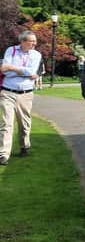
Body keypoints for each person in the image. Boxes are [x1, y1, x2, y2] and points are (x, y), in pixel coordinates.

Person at [0, 31, 42, 165]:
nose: (34, 43)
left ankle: (24, 146)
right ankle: (3, 154)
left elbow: (31, 71)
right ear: (23, 41)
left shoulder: (36, 54)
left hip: (26, 94)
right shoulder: (10, 50)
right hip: (8, 92)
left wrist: (12, 68)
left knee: (24, 124)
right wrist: (24, 72)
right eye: (32, 41)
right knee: (7, 123)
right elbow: (4, 71)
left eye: (35, 41)